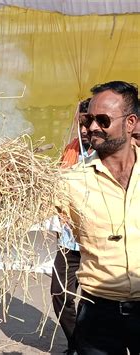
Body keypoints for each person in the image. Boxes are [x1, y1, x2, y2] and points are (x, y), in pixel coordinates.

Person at [58, 81, 140, 354]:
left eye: (103, 120)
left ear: (130, 123)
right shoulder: (71, 181)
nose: (92, 127)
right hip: (97, 315)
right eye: (89, 119)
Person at [51, 98, 92, 355]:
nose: (87, 129)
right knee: (59, 294)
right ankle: (77, 343)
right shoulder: (71, 150)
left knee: (93, 302)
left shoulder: (113, 155)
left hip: (96, 242)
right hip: (68, 242)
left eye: (92, 123)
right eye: (83, 123)